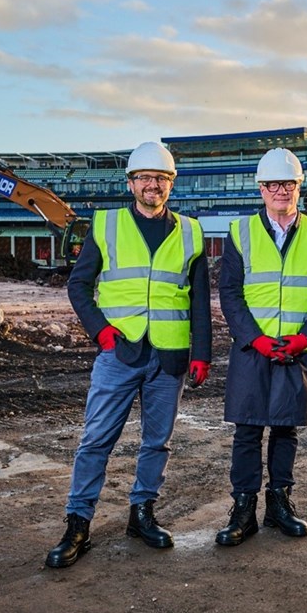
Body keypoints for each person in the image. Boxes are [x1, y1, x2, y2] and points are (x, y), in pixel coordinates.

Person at [45, 141, 213, 568]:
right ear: (131, 183)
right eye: (144, 178)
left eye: (161, 178)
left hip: (171, 355)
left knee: (157, 443)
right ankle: (78, 524)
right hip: (118, 354)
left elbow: (198, 300)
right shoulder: (106, 226)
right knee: (96, 440)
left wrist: (203, 353)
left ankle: (142, 513)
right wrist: (102, 334)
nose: (152, 185)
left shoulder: (191, 231)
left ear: (171, 184)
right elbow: (78, 286)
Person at [215, 147, 307, 546]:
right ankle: (243, 510)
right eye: (273, 185)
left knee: (286, 430)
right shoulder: (240, 233)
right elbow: (230, 293)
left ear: (298, 187)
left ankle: (279, 505)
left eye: (288, 184)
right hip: (253, 350)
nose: (280, 191)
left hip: (297, 350)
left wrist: (306, 339)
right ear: (261, 189)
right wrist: (255, 338)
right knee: (248, 431)